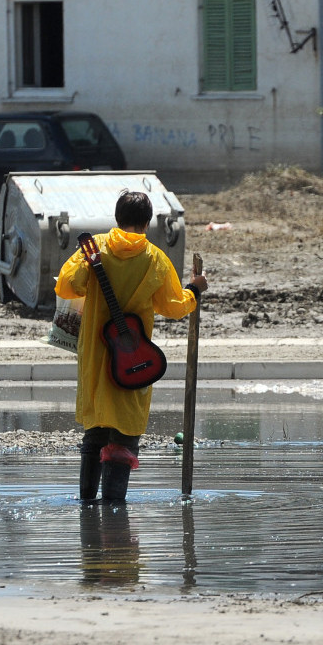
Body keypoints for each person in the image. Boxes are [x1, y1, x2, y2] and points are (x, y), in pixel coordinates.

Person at [55, 190, 208, 502]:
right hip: (133, 362)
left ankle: (87, 504)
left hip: (97, 359)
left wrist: (87, 265)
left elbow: (67, 286)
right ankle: (114, 510)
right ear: (148, 222)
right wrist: (194, 289)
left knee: (95, 430)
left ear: (116, 218)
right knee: (125, 432)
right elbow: (175, 306)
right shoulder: (155, 259)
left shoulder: (93, 249)